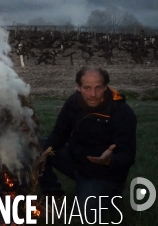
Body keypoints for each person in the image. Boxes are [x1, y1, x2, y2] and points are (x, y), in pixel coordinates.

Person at [40, 66, 137, 219]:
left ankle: (110, 194)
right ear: (79, 87)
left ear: (105, 87)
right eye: (87, 88)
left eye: (98, 88)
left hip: (104, 173)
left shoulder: (122, 112)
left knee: (85, 217)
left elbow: (128, 155)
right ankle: (53, 192)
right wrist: (43, 154)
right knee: (38, 146)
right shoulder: (73, 103)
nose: (93, 94)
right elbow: (59, 134)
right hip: (77, 162)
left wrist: (110, 160)